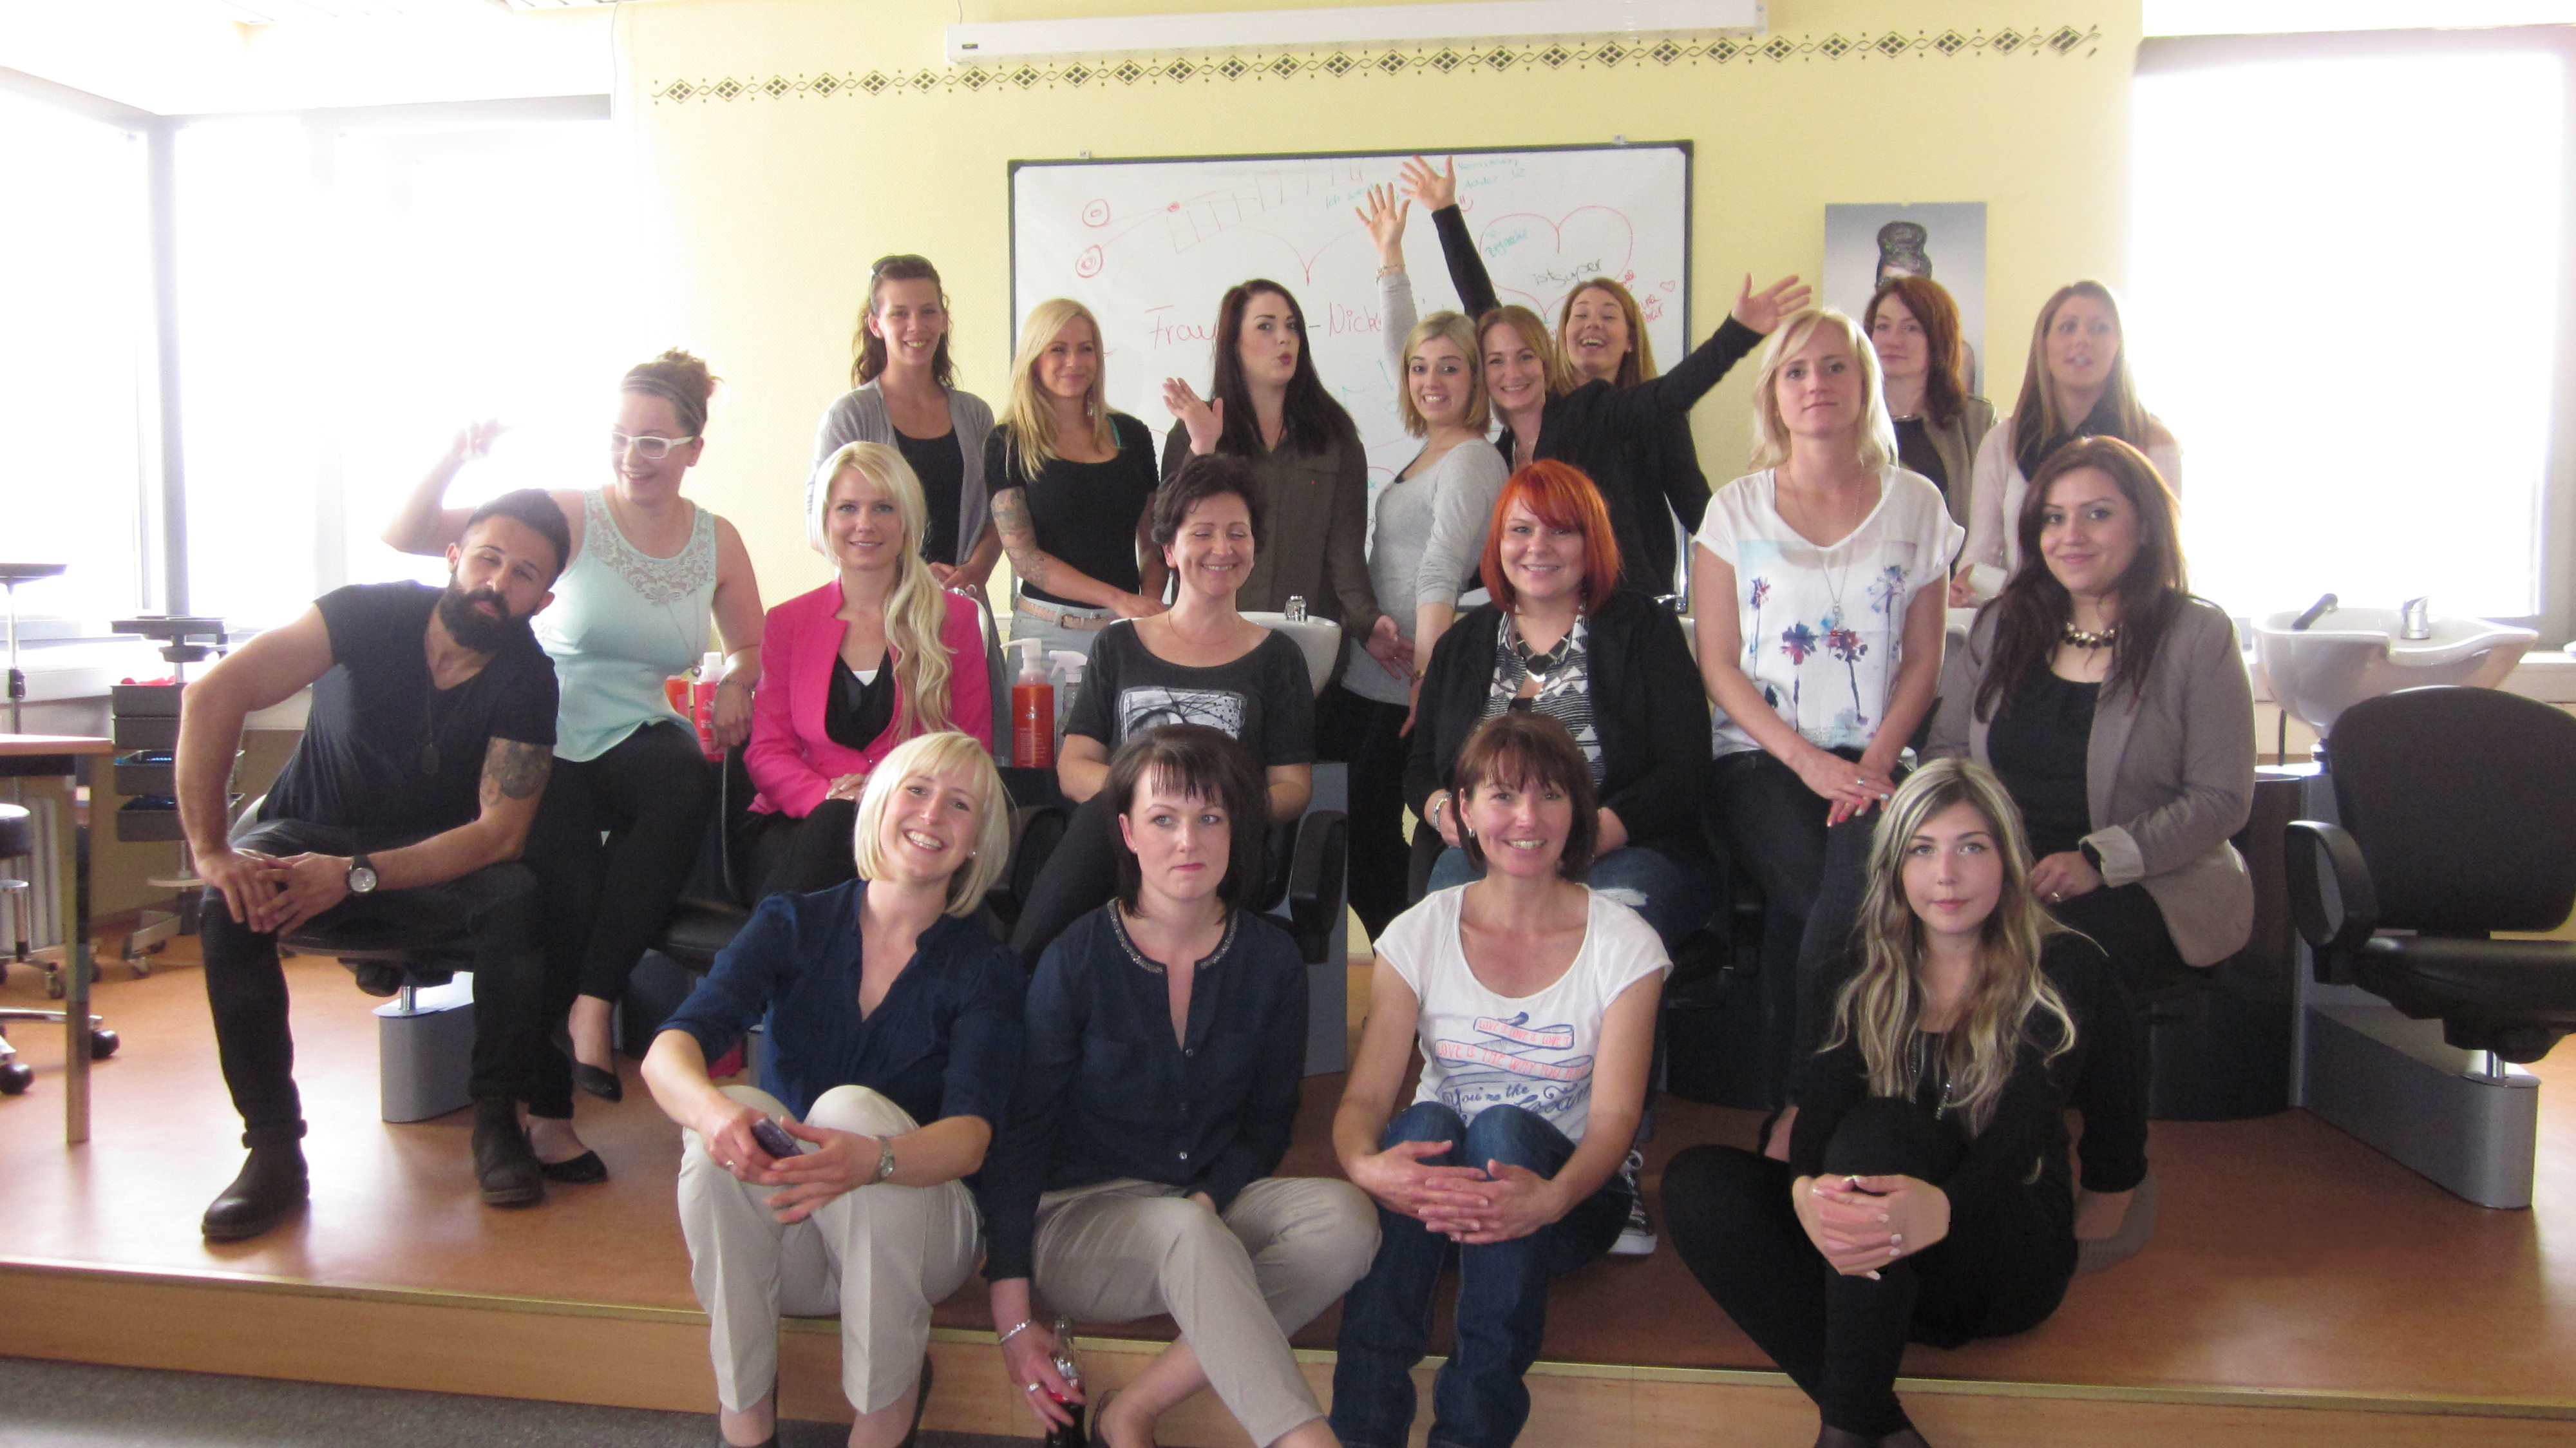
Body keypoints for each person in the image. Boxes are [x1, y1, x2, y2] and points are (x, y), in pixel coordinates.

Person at [1662, 759, 2146, 1448]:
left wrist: (1941, 1206)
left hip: (1993, 1248)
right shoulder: (1857, 968)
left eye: (1970, 847)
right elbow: (1819, 1116)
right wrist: (1805, 1193)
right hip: (1868, 1261)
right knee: (1698, 1183)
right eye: (1922, 850)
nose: (1945, 875)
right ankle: (1880, 1428)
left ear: (2008, 860)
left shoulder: (2064, 966)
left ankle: (1844, 1431)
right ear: (1893, 868)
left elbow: (2023, 1135)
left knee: (1881, 1133)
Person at [179, 491, 571, 1240]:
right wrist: (210, 851)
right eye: (487, 558)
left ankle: (496, 1120)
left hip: (425, 862)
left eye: (523, 574)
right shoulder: (363, 613)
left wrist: (353, 872)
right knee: (227, 903)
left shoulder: (528, 678)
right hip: (305, 830)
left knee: (515, 896)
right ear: (454, 556)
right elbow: (213, 693)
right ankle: (272, 1149)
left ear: (542, 599)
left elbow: (497, 836)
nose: (497, 583)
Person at [387, 352, 764, 1115]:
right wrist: (454, 457)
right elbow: (410, 534)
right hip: (543, 725)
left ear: (693, 449)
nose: (633, 456)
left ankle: (595, 1002)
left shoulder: (716, 540)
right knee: (567, 881)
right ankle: (536, 1088)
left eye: (653, 442)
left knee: (683, 781)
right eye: (620, 437)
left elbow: (751, 643)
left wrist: (735, 680)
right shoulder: (570, 514)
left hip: (639, 725)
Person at [981, 725, 1377, 1448]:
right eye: (1163, 819)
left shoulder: (1271, 960)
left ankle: (1134, 1406)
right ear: (1128, 833)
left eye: (1210, 817)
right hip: (1079, 1218)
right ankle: (1302, 1439)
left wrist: (1210, 1194)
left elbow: (1267, 1123)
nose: (1188, 840)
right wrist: (1011, 1312)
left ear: (1237, 830)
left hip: (1203, 1204)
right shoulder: (1075, 958)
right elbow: (1023, 1135)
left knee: (1347, 1221)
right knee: (1187, 1234)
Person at [645, 731, 1021, 1448]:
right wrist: (714, 1114)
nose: (932, 814)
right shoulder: (792, 921)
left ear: (977, 841)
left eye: (960, 804)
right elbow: (670, 1051)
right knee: (727, 1123)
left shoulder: (986, 967)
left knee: (848, 1110)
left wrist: (871, 1159)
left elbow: (971, 1140)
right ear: (878, 803)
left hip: (920, 1236)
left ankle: (885, 1412)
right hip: (797, 1235)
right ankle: (745, 1416)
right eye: (917, 790)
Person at [1332, 710, 1667, 1448]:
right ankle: (1361, 1432)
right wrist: (1366, 1166)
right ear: (1464, 810)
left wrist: (1552, 1196)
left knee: (1503, 1131)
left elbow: (1615, 1119)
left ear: (1577, 811)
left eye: (1550, 795)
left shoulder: (1624, 943)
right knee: (1423, 1127)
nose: (1526, 818)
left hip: (1564, 1201)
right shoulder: (1418, 931)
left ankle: (1472, 1432)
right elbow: (1365, 1098)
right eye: (1503, 795)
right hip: (1439, 1198)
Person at [1692, 307, 1961, 1099]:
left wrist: (1873, 763)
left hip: (1877, 760)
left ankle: (1797, 1108)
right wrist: (1807, 762)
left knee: (1835, 901)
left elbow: (1924, 659)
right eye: (1796, 370)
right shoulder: (1732, 511)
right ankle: (1857, 1091)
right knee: (1830, 899)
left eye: (1835, 365)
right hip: (1760, 759)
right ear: (1773, 394)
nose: (1817, 383)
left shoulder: (1917, 504)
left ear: (1864, 384)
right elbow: (1718, 665)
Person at [1929, 435, 2255, 995]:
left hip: (2147, 884)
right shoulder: (2002, 625)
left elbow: (2220, 799)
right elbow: (1948, 756)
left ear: (2146, 526)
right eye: (2054, 518)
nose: (2071, 536)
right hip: (2006, 876)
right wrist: (1979, 858)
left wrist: (2097, 862)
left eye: (2097, 514)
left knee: (2051, 964)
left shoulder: (2198, 635)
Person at [1397, 155, 1809, 597]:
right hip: (1542, 617)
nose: (1511, 371)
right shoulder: (1497, 455)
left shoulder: (1592, 411)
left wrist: (1737, 333)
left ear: (1544, 358)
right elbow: (1487, 315)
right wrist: (1444, 212)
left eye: (1525, 357)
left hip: (1623, 612)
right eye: (1495, 361)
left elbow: (1673, 408)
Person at [1005, 455, 1318, 966]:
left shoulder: (1278, 657)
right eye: (1203, 534)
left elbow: (1293, 787)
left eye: (1238, 534)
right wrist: (1156, 807)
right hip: (1122, 844)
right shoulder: (1119, 645)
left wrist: (1206, 811)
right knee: (1099, 822)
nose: (1222, 549)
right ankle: (1022, 982)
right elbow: (1074, 768)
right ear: (1169, 550)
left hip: (1222, 848)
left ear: (1254, 548)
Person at [1410, 461, 1711, 952]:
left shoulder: (1644, 630)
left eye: (1561, 531)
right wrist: (1442, 808)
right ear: (1498, 542)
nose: (1538, 546)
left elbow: (1685, 769)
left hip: (1622, 851)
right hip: (1486, 857)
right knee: (1447, 943)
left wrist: (1589, 835)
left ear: (1591, 542)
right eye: (1520, 530)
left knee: (1603, 944)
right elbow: (1423, 767)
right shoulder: (1461, 645)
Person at [1331, 184, 1510, 935]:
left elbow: (1441, 570)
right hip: (1373, 671)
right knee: (1353, 832)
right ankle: (1409, 958)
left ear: (1478, 379)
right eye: (1421, 370)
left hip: (1409, 678)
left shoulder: (1471, 459)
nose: (1431, 382)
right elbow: (1399, 344)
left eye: (1450, 369)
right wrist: (1390, 260)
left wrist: (1425, 687)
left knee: (1374, 837)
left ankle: (1413, 961)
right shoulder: (1432, 449)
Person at [742, 443, 996, 900]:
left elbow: (970, 747)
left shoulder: (954, 619)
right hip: (801, 822)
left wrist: (885, 799)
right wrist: (827, 798)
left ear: (907, 521)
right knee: (836, 826)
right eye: (847, 508)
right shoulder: (787, 622)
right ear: (825, 520)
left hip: (914, 827)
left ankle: (763, 948)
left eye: (883, 508)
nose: (865, 523)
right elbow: (767, 752)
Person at [1159, 278, 1385, 654]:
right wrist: (1203, 446)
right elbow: (1172, 536)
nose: (1284, 338)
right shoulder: (1196, 428)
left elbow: (1346, 549)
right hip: (1211, 642)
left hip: (1306, 644)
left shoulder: (1334, 435)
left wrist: (1368, 622)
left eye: (1292, 326)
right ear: (1234, 343)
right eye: (1265, 326)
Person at [1955, 281, 2181, 593]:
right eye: (2067, 327)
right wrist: (1971, 585)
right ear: (2044, 344)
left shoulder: (2154, 441)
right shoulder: (2003, 441)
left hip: (2124, 614)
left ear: (2119, 345)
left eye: (2100, 329)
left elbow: (2163, 558)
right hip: (2025, 615)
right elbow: (1983, 554)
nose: (2082, 340)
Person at [811, 253, 1003, 598]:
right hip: (879, 608)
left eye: (928, 312)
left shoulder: (975, 415)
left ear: (944, 320)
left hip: (961, 605)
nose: (916, 326)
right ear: (875, 325)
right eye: (899, 313)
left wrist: (976, 570)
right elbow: (819, 525)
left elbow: (997, 514)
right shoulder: (851, 415)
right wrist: (907, 574)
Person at [987, 297, 1168, 658]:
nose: (1074, 362)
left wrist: (1146, 607)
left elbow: (1155, 540)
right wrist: (1118, 598)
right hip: (1046, 636)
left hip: (1127, 631)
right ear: (1034, 359)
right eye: (1058, 349)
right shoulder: (1007, 442)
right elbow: (1024, 557)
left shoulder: (1131, 434)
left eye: (1086, 349)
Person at [1864, 276, 1994, 526]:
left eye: (1911, 328)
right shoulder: (1846, 418)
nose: (1893, 340)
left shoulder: (1977, 423)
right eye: (1882, 326)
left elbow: (1997, 522)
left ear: (1939, 339)